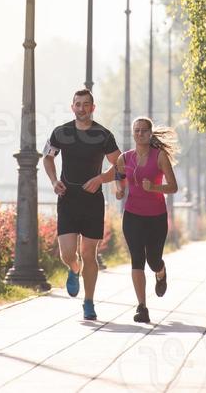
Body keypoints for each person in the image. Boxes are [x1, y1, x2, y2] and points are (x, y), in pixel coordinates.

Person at [43, 88, 120, 321]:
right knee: (67, 254)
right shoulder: (61, 132)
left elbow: (120, 165)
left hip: (92, 201)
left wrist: (100, 179)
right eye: (78, 104)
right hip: (67, 199)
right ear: (72, 107)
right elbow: (47, 156)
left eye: (86, 104)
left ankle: (88, 302)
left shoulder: (103, 135)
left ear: (93, 108)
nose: (82, 108)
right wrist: (54, 181)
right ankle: (73, 269)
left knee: (89, 253)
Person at [115, 116, 178, 324]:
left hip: (156, 217)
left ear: (150, 134)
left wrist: (155, 188)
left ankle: (161, 272)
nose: (140, 133)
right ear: (133, 134)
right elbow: (118, 175)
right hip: (132, 215)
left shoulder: (159, 157)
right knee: (136, 259)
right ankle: (142, 307)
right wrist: (119, 188)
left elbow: (173, 187)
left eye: (144, 130)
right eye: (137, 130)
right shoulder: (126, 158)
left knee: (153, 259)